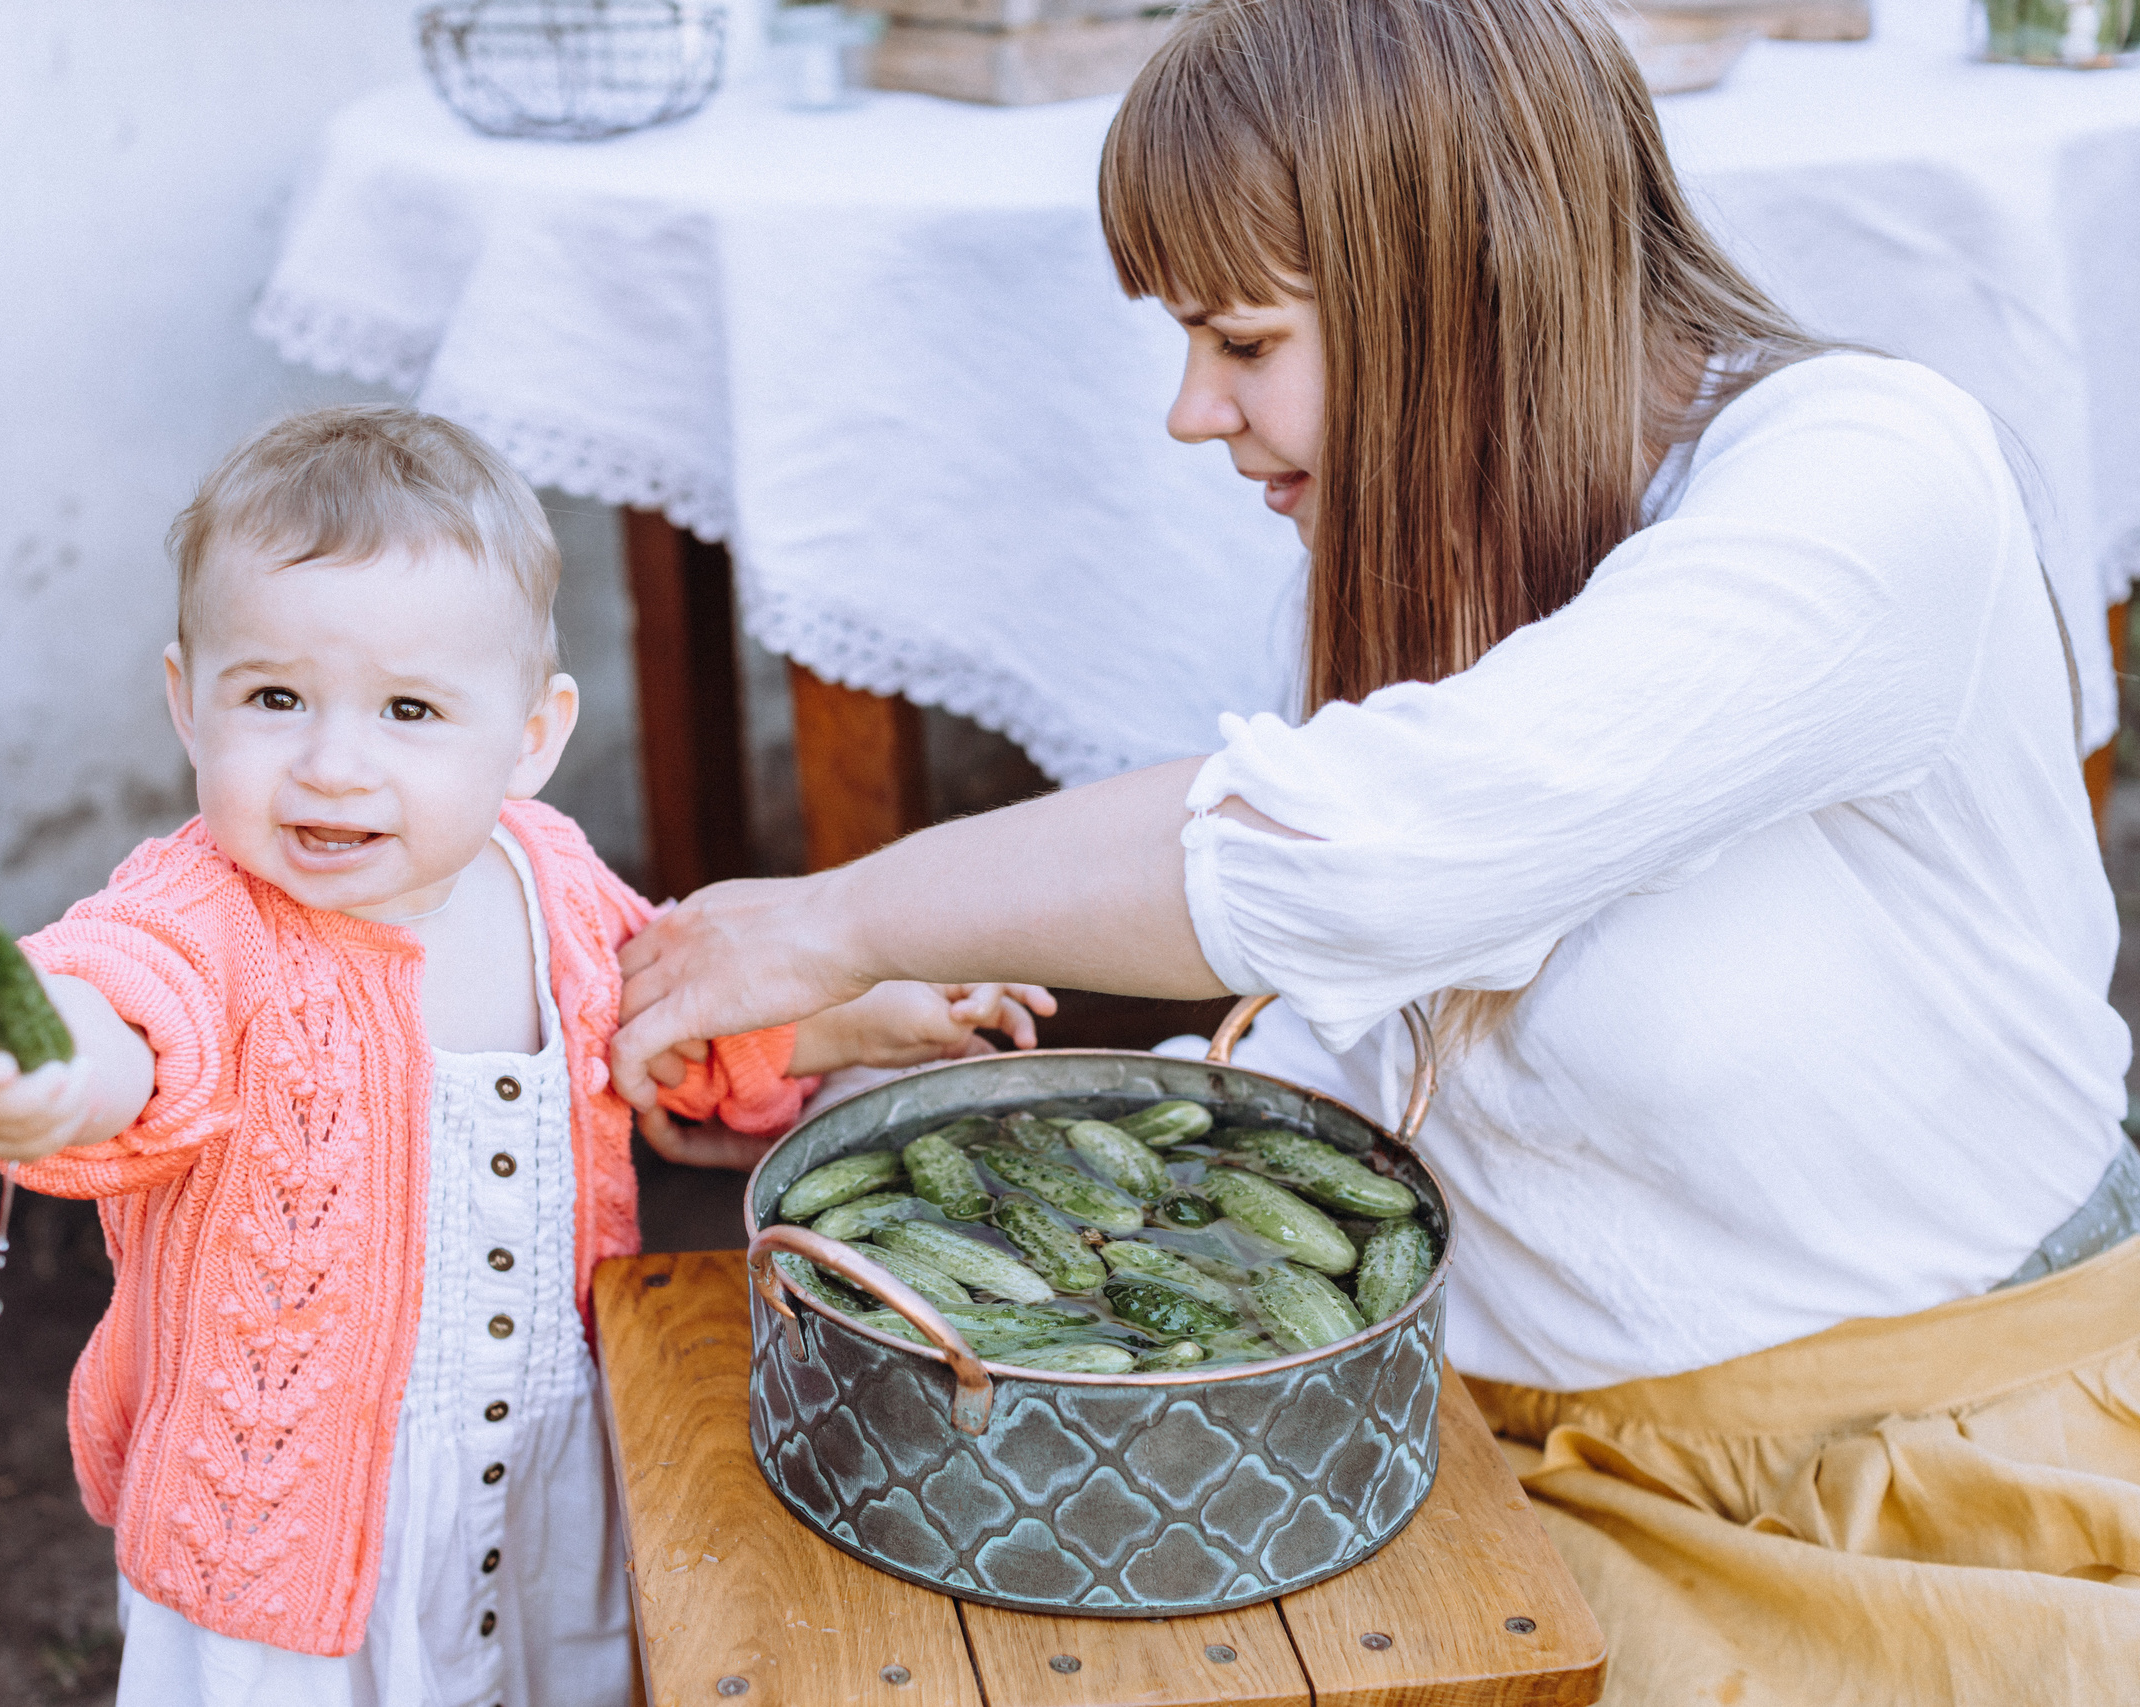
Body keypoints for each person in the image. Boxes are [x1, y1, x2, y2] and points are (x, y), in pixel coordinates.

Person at [608, 0, 2140, 1698]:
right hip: (1494, 1447)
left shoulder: (1867, 477)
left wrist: (840, 918)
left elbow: (1366, 858)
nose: (1192, 411)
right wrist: (901, 1106)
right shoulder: (1436, 559)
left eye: (1241, 339)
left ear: (1457, 284)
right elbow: (1373, 1050)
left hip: (1914, 1476)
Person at [0, 406, 1050, 1707]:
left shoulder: (545, 875)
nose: (333, 765)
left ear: (530, 735)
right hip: (293, 1520)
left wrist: (855, 1018)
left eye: (409, 709)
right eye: (275, 698)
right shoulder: (207, 919)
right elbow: (129, 1008)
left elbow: (658, 1022)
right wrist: (54, 1067)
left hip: (547, 1460)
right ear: (188, 701)